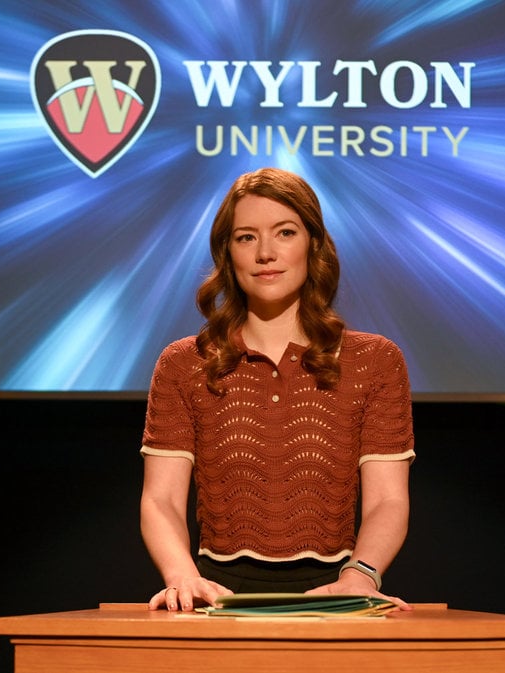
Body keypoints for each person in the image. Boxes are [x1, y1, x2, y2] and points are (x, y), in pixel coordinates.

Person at [139, 167, 415, 612]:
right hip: (215, 599)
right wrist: (182, 577)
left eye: (284, 232)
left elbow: (388, 499)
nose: (265, 252)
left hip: (338, 595)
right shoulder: (183, 363)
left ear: (314, 245)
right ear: (227, 254)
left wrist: (360, 576)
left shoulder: (374, 360)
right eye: (246, 237)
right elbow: (160, 498)